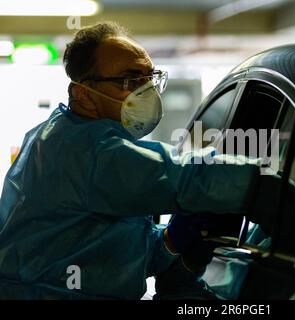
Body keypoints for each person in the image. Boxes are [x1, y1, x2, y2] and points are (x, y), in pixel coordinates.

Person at [0, 22, 261, 299]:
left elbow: (107, 256)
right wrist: (269, 186)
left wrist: (170, 241)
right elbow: (183, 175)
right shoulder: (82, 150)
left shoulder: (62, 134)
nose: (148, 92)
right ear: (84, 95)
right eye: (130, 81)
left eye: (151, 78)